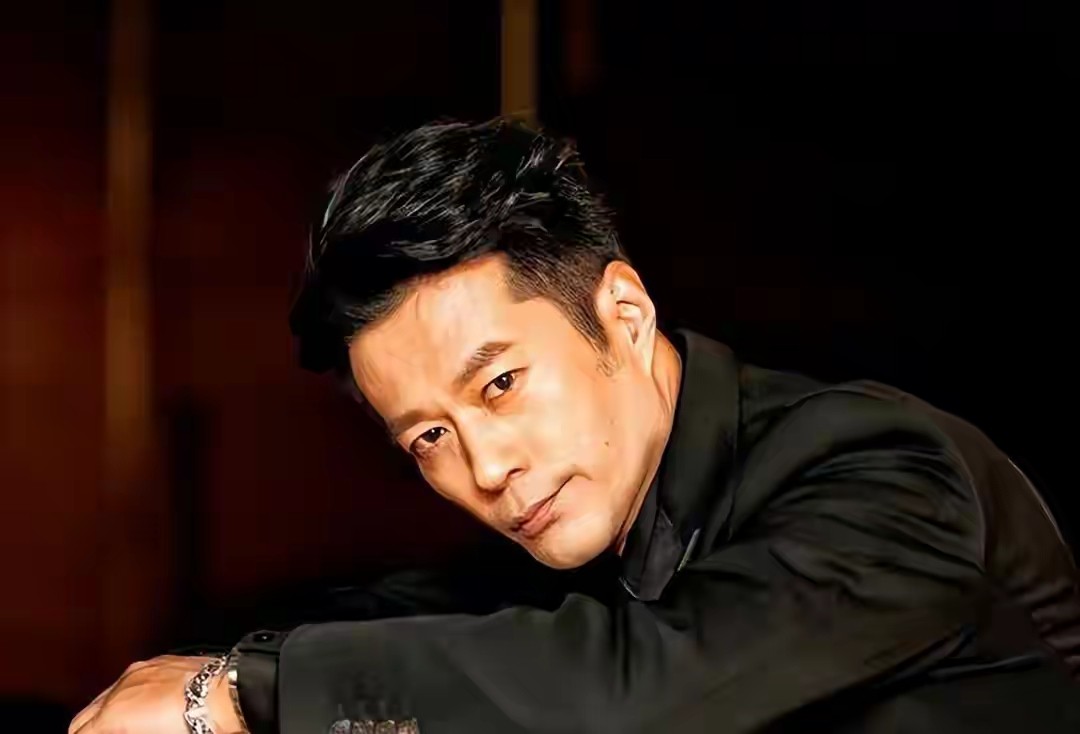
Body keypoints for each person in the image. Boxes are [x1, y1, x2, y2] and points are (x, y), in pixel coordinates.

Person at [71, 119, 1080, 734]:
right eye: (427, 438)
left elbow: (642, 690)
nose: (485, 466)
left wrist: (247, 690)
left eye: (501, 383)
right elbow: (415, 623)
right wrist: (204, 674)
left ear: (624, 317)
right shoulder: (580, 535)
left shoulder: (886, 470)